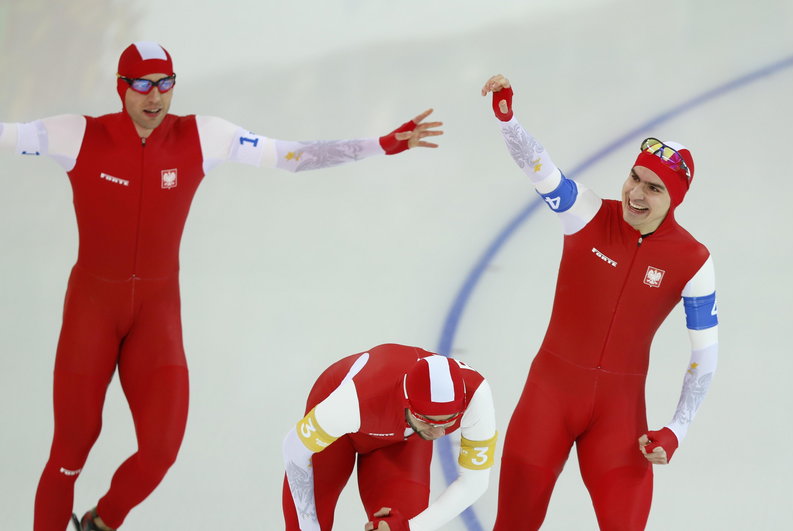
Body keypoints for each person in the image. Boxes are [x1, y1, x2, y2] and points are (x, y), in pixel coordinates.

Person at [0, 41, 443, 531]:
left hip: (155, 312)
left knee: (161, 450)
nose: (155, 97)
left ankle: (102, 521)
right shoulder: (79, 134)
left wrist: (381, 144)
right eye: (143, 85)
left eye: (165, 84)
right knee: (70, 451)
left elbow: (290, 156)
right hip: (92, 311)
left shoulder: (201, 136)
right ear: (121, 88)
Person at [480, 74, 719, 530]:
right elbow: (538, 167)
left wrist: (676, 430)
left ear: (675, 199)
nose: (636, 193)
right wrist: (508, 120)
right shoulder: (586, 212)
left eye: (654, 188)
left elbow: (705, 354)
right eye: (635, 177)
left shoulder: (693, 260)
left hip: (619, 417)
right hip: (547, 398)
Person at [281, 343, 497, 531]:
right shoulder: (353, 402)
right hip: (341, 433)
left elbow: (474, 482)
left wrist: (410, 528)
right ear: (406, 403)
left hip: (404, 439)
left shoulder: (476, 396)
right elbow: (294, 448)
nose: (439, 433)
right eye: (429, 422)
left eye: (448, 421)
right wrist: (308, 525)